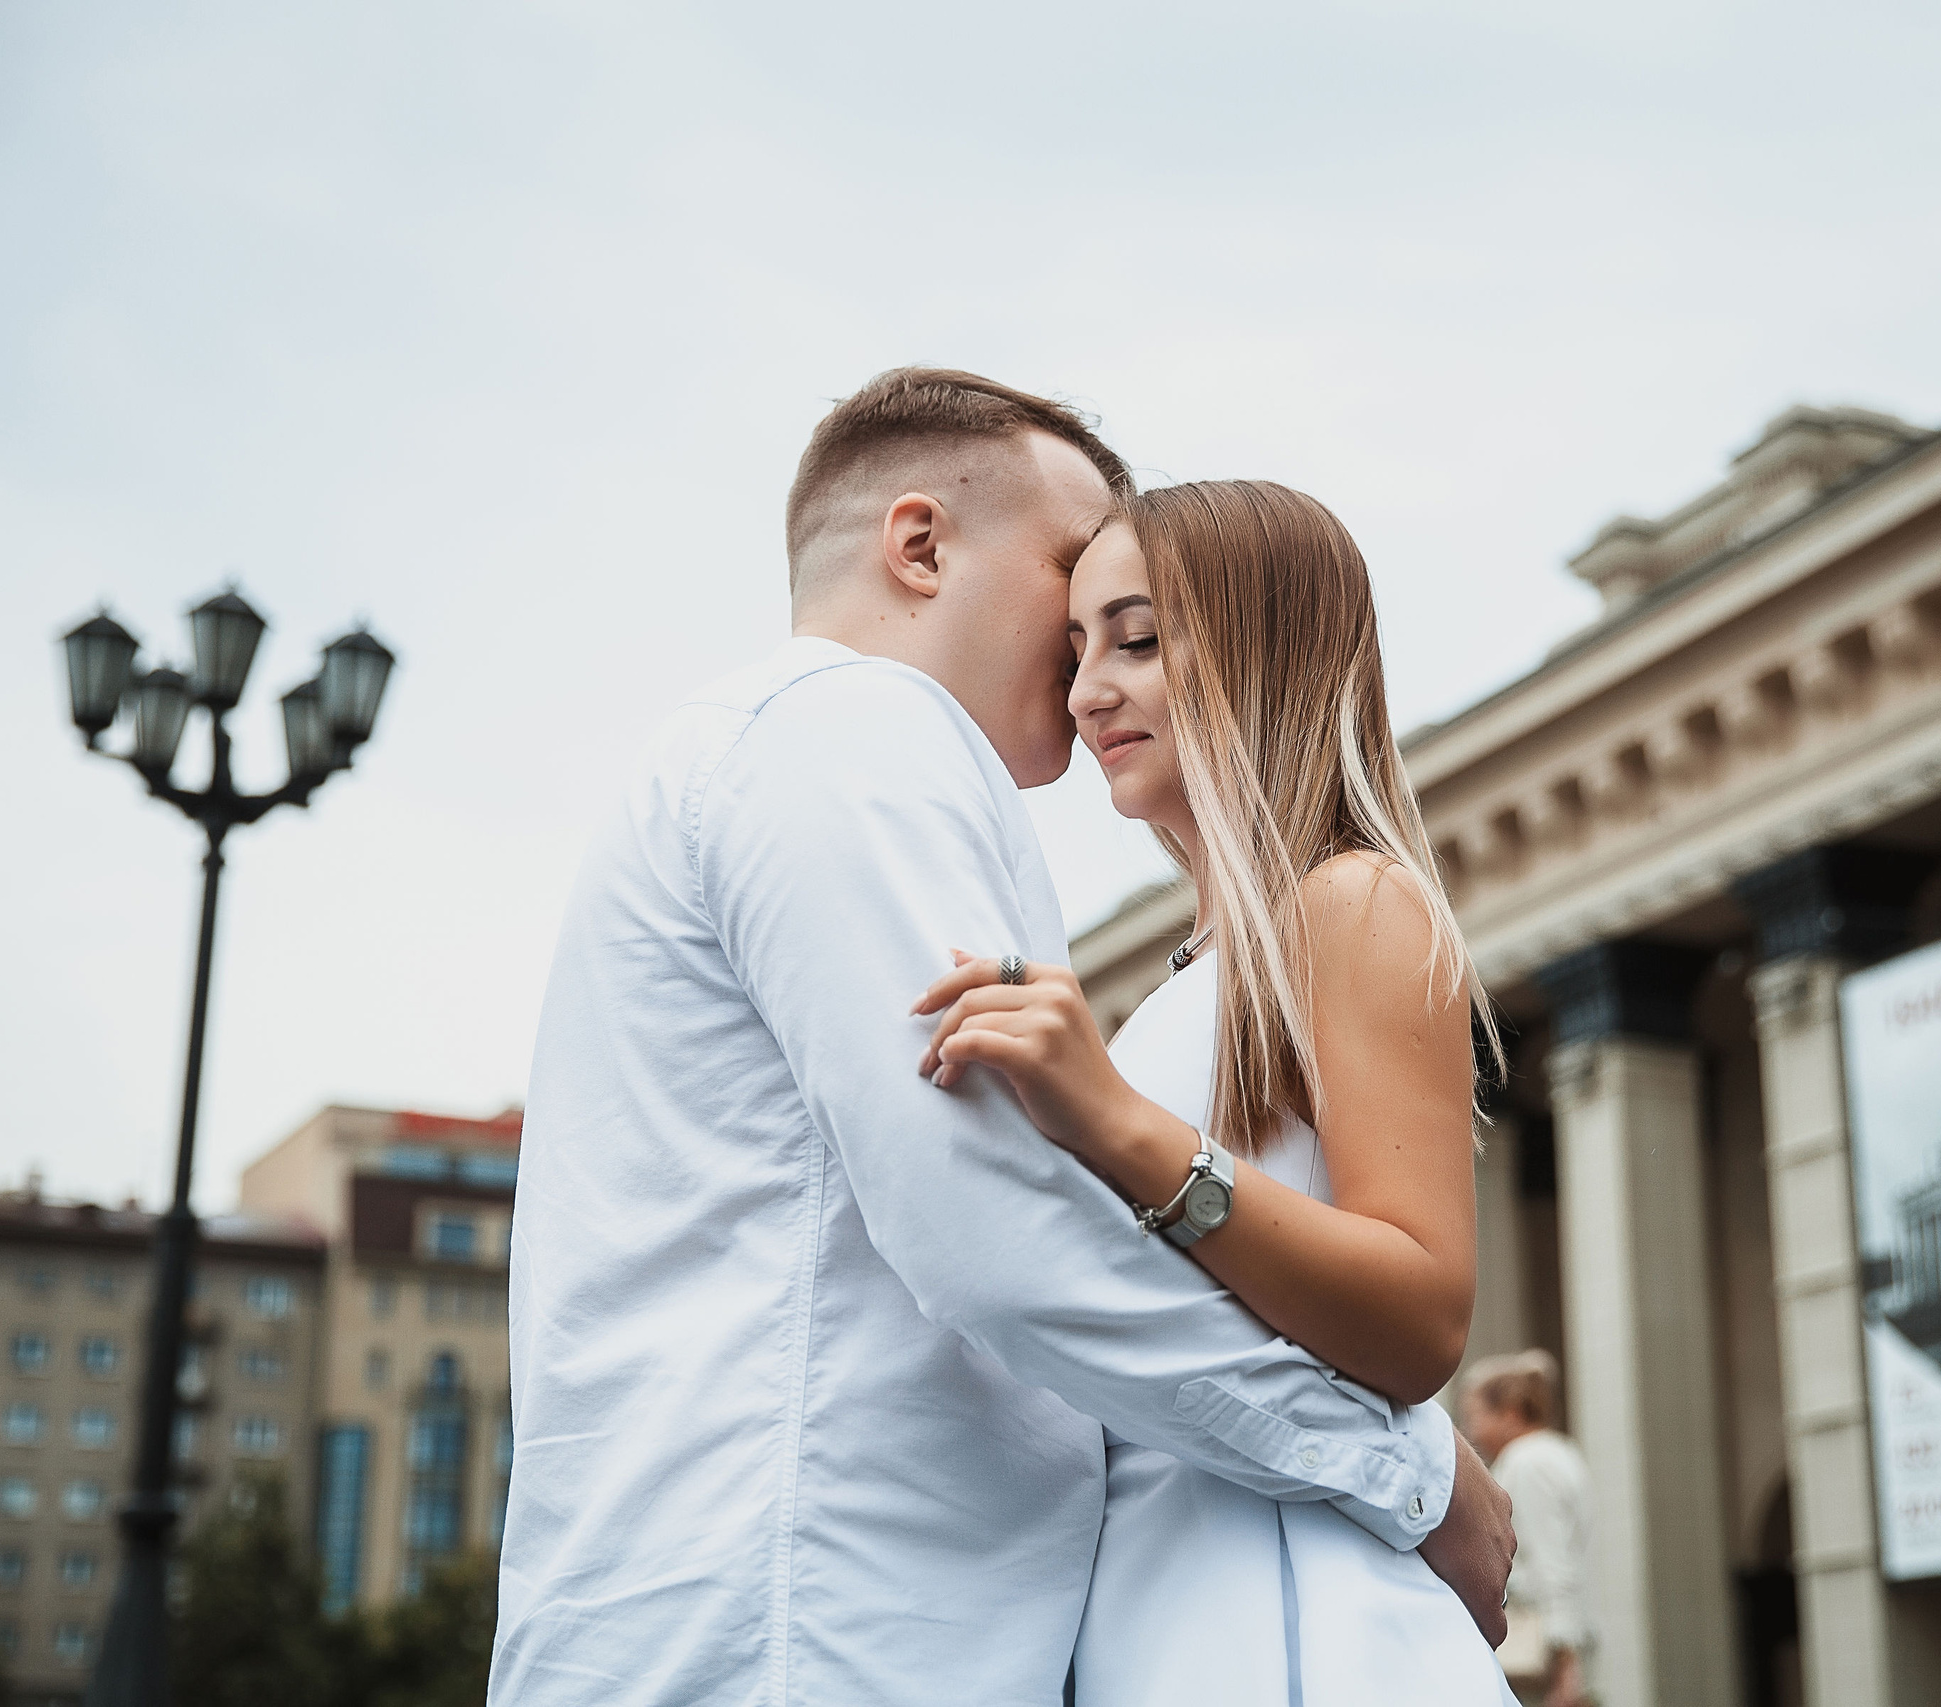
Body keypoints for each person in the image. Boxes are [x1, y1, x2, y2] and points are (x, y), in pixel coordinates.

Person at [491, 370, 1514, 1706]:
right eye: (1068, 587)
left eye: (1134, 630)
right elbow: (1000, 1232)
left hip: (1079, 1617)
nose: (1085, 672)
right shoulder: (854, 730)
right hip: (816, 1629)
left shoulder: (792, 755)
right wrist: (1410, 1470)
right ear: (921, 545)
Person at [912, 479, 1520, 1704]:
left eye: (1137, 640)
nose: (1088, 693)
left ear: (1265, 647)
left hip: (1294, 1612)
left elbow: (1420, 1317)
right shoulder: (1190, 971)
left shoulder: (1350, 902)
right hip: (1160, 1594)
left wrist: (1119, 1128)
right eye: (1077, 648)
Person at [1461, 1352, 1594, 1707]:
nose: (1469, 1430)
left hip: (1542, 1656)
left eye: (1476, 1415)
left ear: (1510, 1412)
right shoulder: (1560, 1452)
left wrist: (1566, 1663)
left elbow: (1552, 1563)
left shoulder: (1528, 1461)